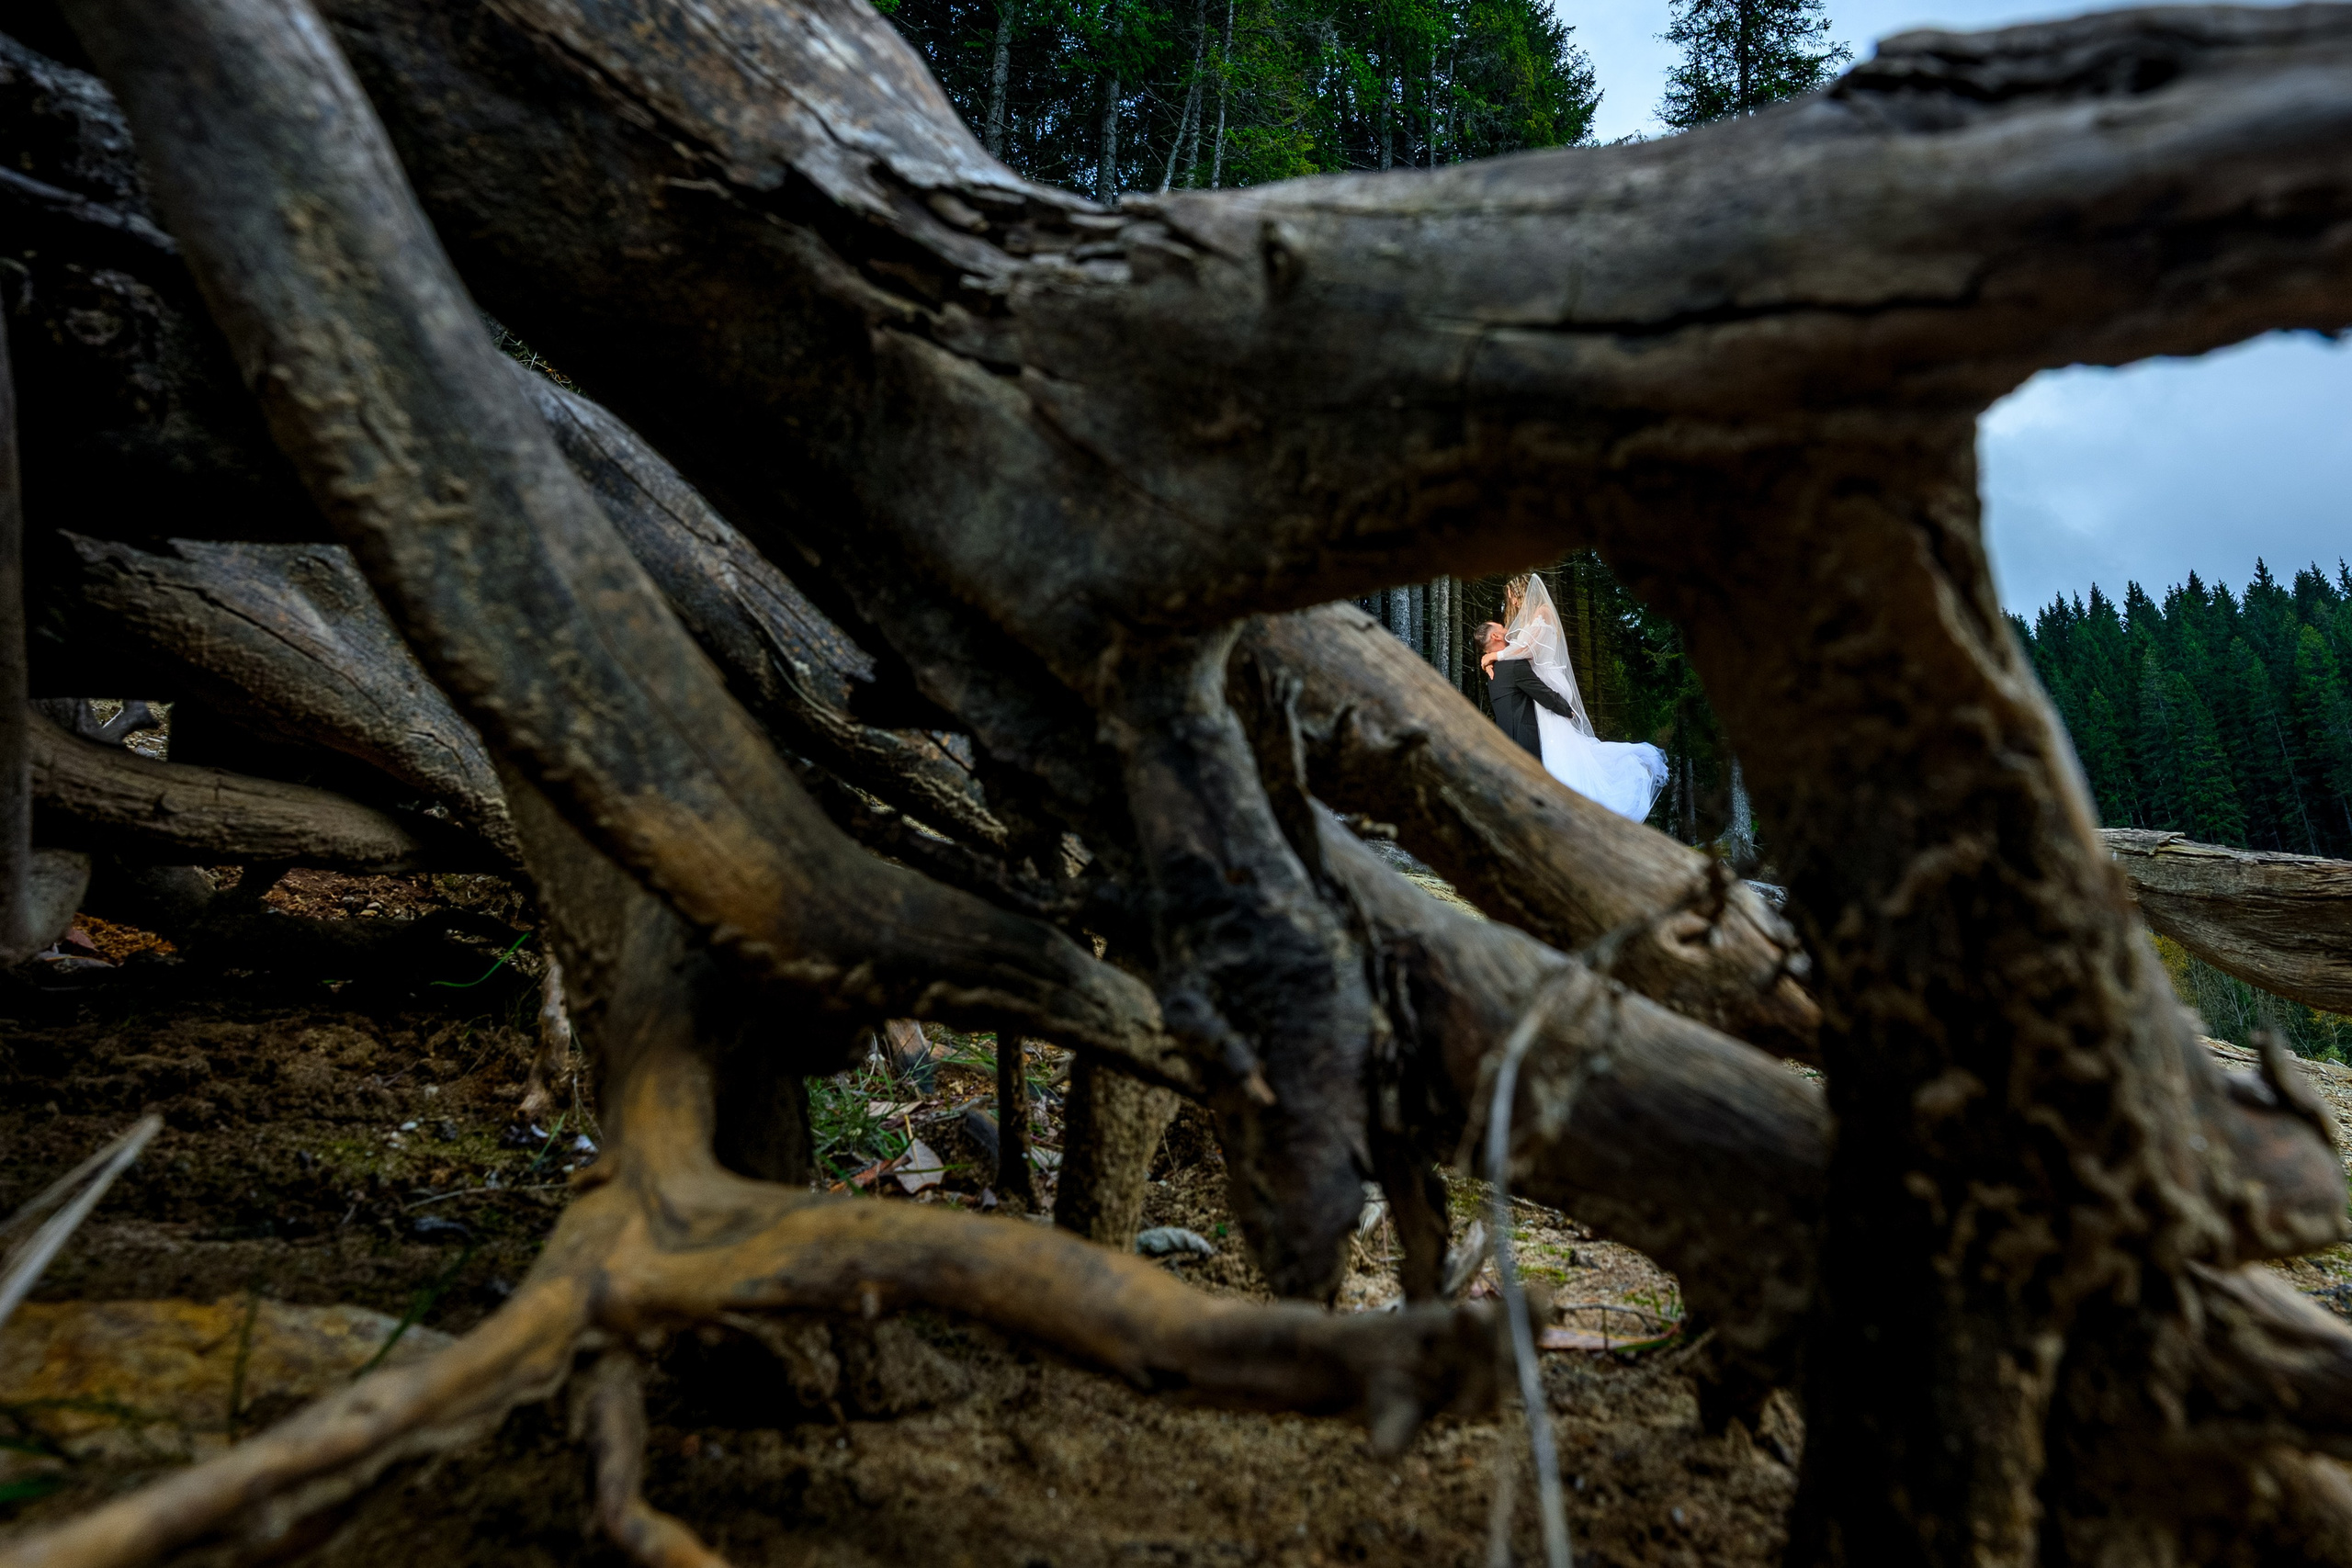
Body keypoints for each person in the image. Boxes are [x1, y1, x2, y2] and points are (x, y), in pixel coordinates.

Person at [1481, 574, 1668, 822]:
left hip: (1550, 682)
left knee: (1558, 743)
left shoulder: (1542, 611)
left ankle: (1571, 800)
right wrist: (1491, 659)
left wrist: (1493, 657)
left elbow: (1527, 649)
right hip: (1542, 685)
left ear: (1521, 592)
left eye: (1512, 597)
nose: (1512, 603)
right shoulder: (1526, 621)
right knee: (1560, 745)